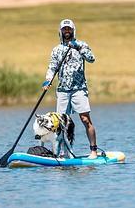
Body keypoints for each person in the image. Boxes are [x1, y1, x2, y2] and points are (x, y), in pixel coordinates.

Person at [42, 19, 98, 159]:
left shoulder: (82, 44)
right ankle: (62, 153)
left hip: (79, 89)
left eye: (69, 29)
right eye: (64, 29)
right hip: (62, 90)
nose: (67, 31)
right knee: (60, 124)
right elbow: (52, 67)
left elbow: (91, 59)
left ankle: (93, 151)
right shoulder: (56, 50)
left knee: (85, 119)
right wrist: (48, 80)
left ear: (73, 30)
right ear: (60, 31)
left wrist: (77, 46)